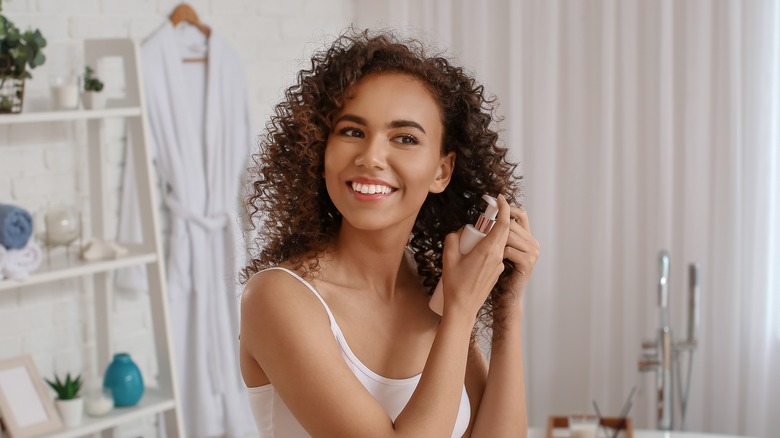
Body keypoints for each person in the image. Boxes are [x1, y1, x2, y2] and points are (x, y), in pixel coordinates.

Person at [239, 28, 539, 438]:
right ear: (321, 151)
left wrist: (507, 307)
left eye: (405, 138)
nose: (371, 157)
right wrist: (461, 310)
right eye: (352, 131)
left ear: (441, 171)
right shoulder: (277, 298)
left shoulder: (432, 289)